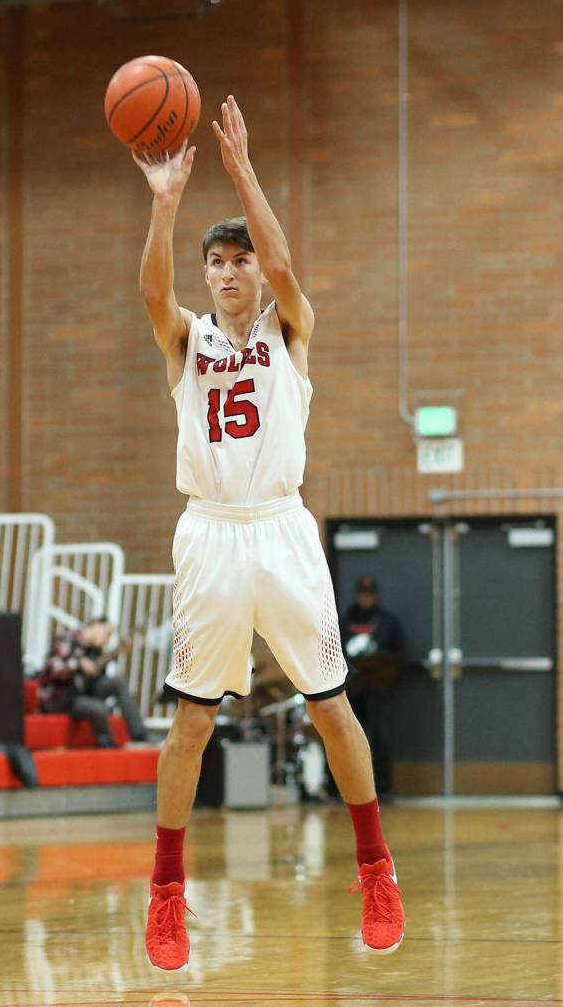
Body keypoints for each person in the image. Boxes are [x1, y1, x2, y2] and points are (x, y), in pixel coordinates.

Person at [132, 94, 405, 970]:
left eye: (236, 258)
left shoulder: (289, 331)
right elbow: (149, 293)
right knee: (190, 727)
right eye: (215, 261)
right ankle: (166, 894)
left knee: (330, 706)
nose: (227, 271)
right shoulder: (187, 341)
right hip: (209, 533)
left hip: (281, 529)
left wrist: (243, 171)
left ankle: (375, 872)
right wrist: (165, 199)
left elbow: (287, 269)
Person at [339, 575, 405, 797]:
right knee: (349, 737)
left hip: (380, 691)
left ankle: (382, 787)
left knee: (380, 736)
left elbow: (398, 655)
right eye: (362, 594)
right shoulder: (344, 621)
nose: (366, 598)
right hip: (351, 691)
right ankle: (349, 788)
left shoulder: (388, 622)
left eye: (370, 594)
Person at [37, 618, 147, 747]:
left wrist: (114, 655)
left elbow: (94, 677)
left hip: (82, 694)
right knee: (99, 708)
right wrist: (78, 665)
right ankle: (107, 744)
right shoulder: (67, 639)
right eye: (107, 633)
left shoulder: (96, 650)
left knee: (118, 682)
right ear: (95, 625)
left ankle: (139, 734)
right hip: (60, 698)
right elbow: (53, 668)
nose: (107, 639)